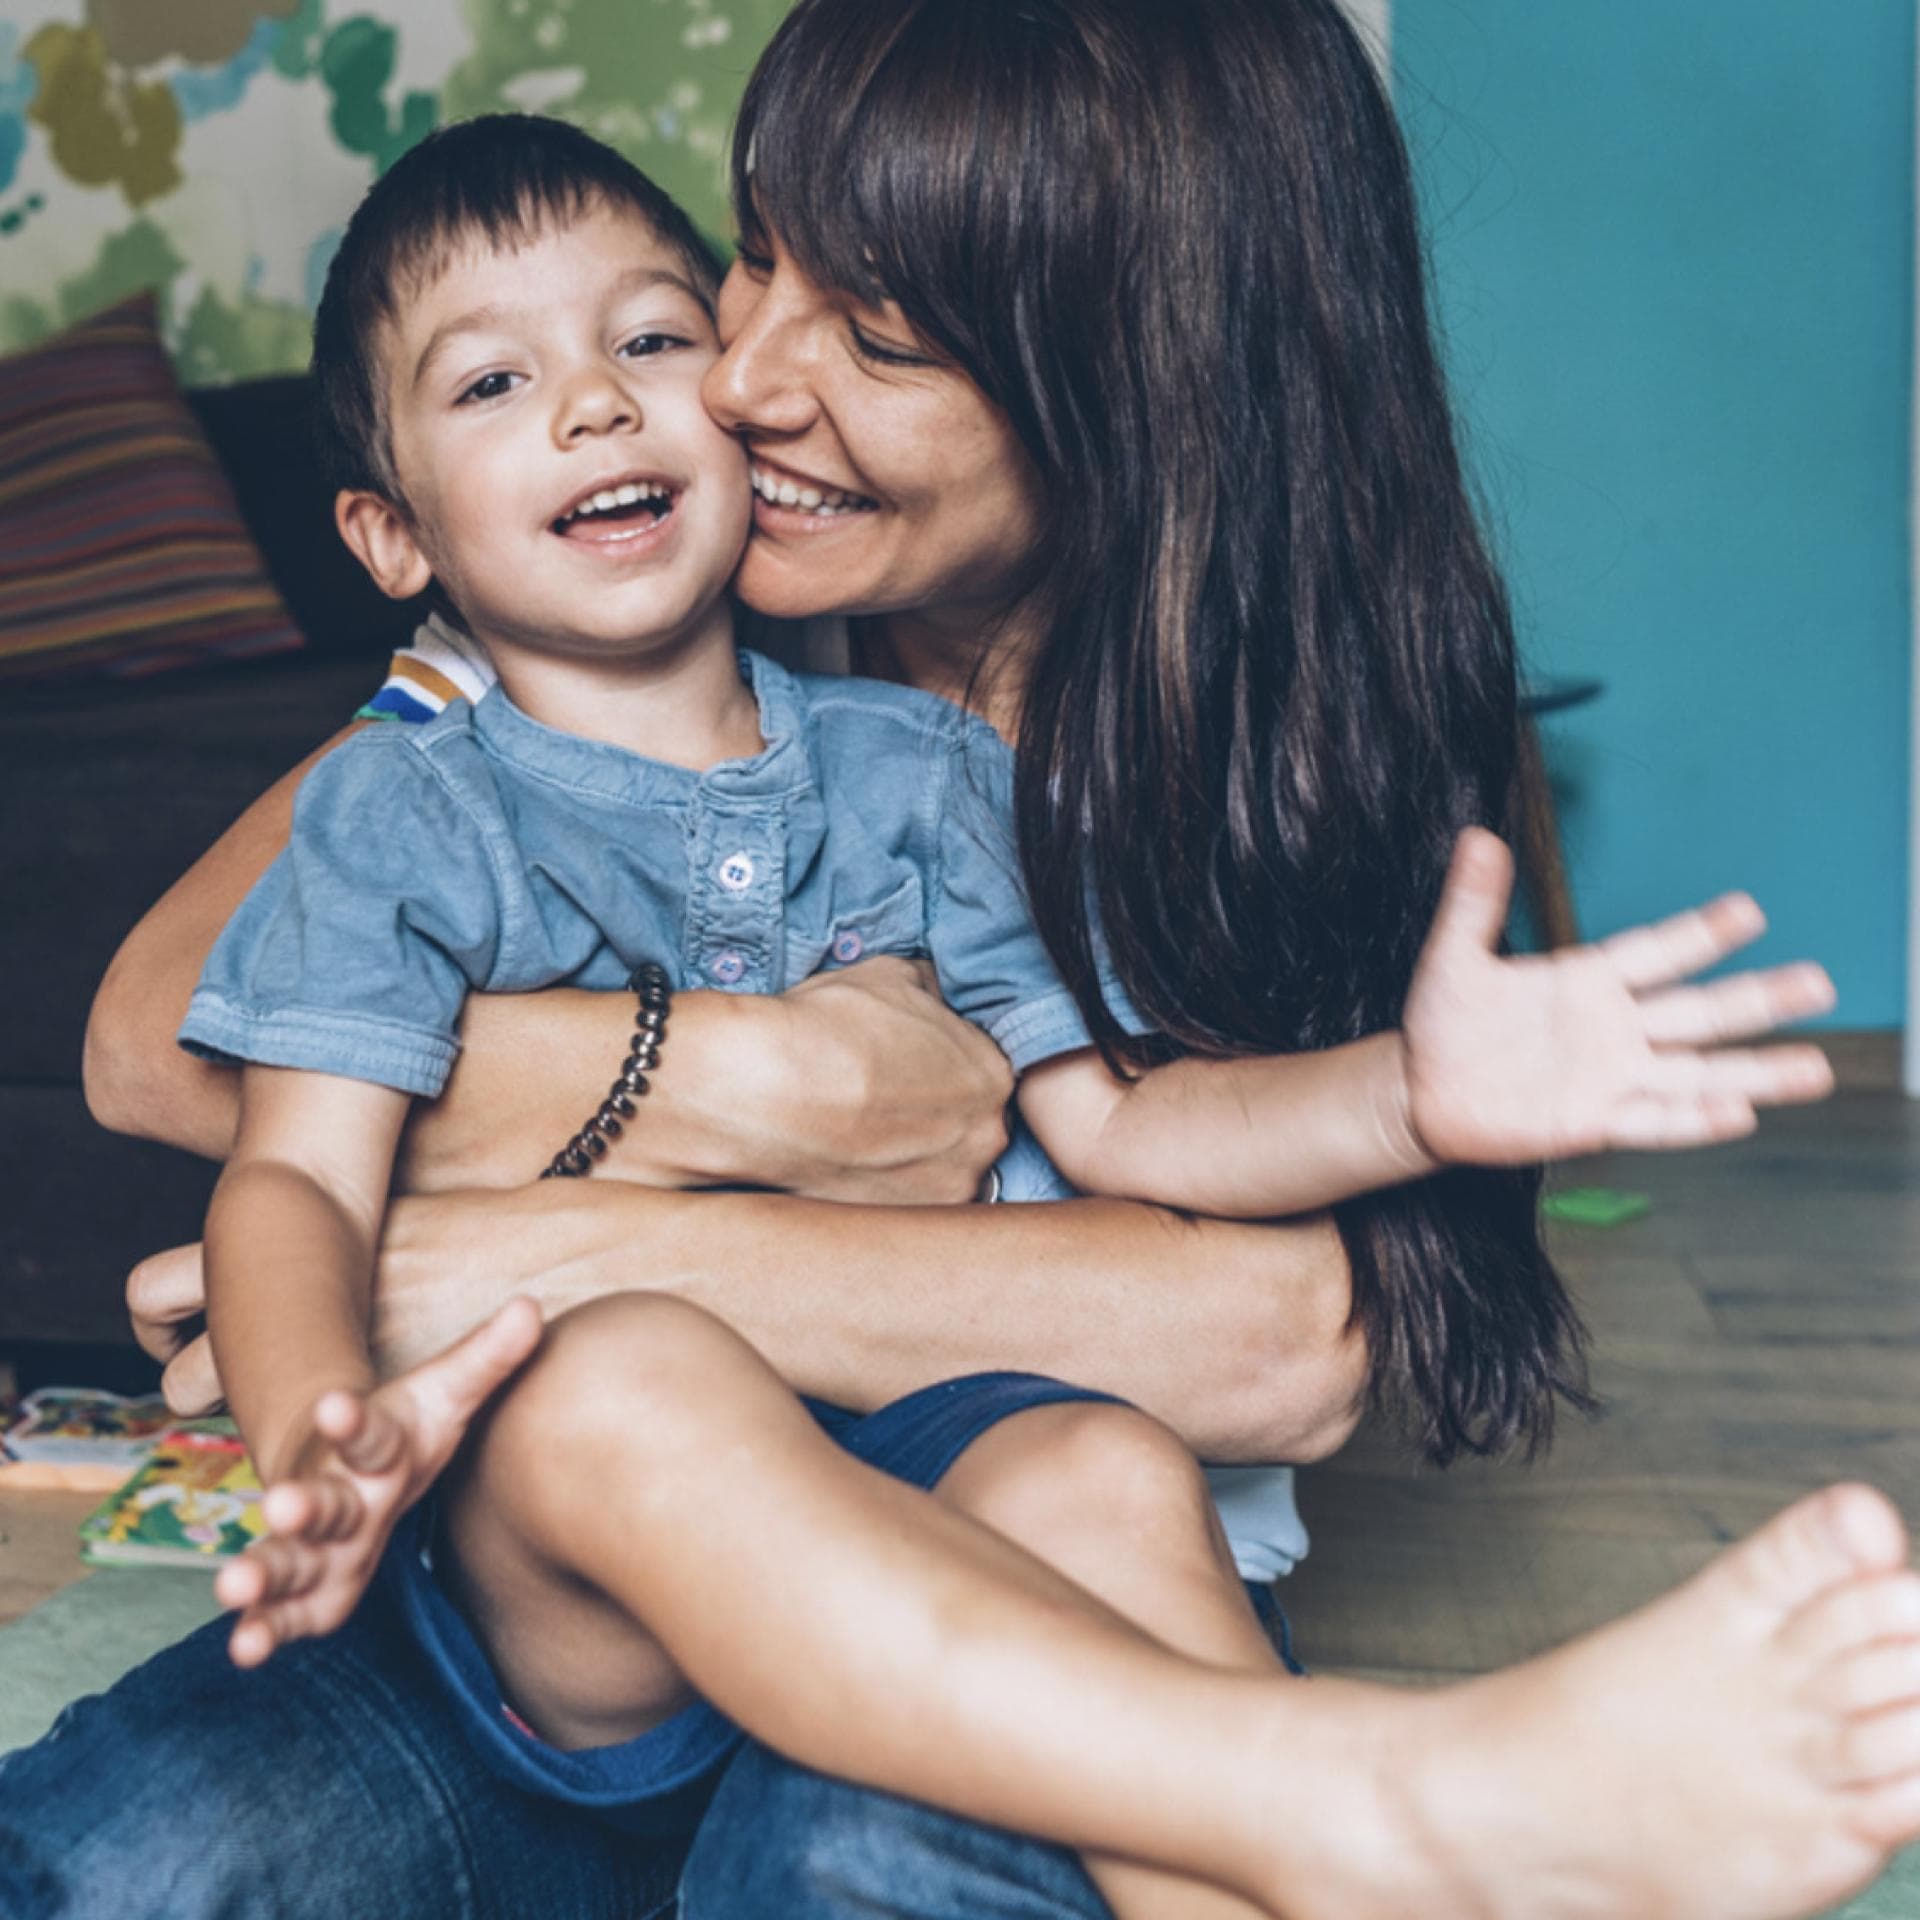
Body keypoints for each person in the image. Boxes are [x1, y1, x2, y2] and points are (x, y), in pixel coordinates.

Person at [5, 3, 1917, 1918]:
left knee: (1067, 1499)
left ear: (1128, 386)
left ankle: (1373, 1822)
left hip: (967, 1544)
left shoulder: (953, 776)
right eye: (753, 256)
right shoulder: (465, 733)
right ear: (391, 527)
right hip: (552, 1590)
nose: (737, 377)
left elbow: (1253, 1293)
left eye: (874, 333)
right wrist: (730, 1089)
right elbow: (167, 1058)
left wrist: (1412, 1092)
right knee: (122, 1851)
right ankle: (1385, 1798)